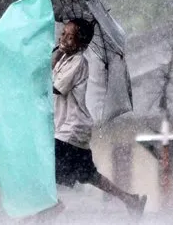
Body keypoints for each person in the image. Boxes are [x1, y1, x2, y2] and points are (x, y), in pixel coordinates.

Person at [46, 18, 147, 219]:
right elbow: (51, 72)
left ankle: (51, 205)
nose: (64, 39)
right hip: (68, 128)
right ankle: (131, 200)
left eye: (70, 36)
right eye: (63, 33)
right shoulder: (65, 58)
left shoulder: (78, 62)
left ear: (81, 44)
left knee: (43, 165)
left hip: (70, 130)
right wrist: (56, 54)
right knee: (89, 175)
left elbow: (55, 88)